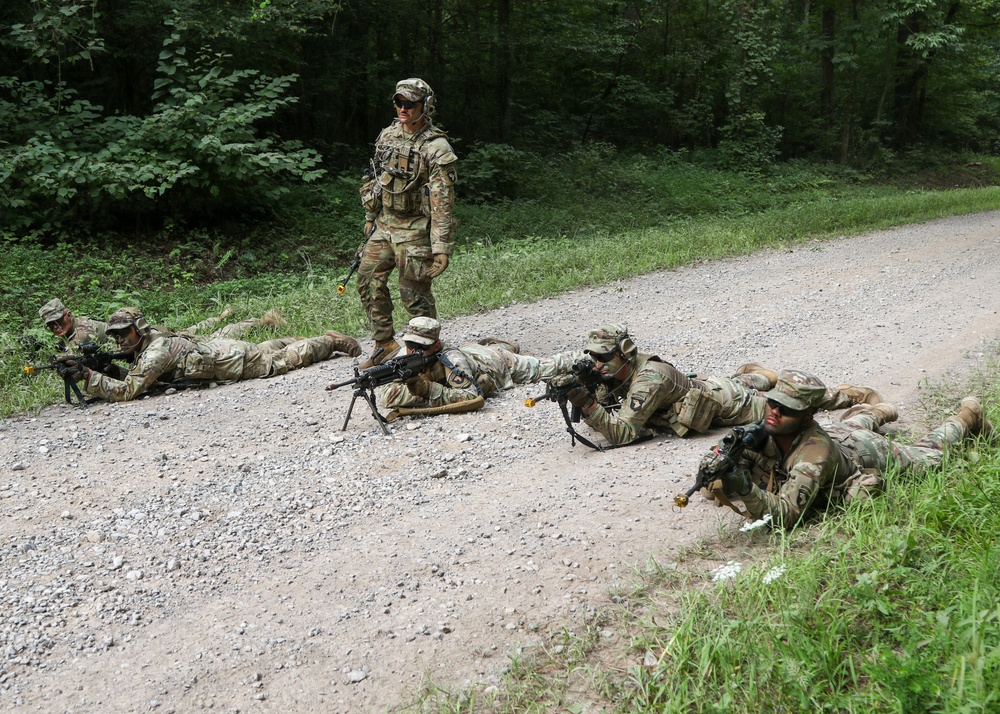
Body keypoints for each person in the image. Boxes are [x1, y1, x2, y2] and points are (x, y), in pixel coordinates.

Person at [702, 369, 995, 529]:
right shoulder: (769, 425)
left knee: (930, 456)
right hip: (837, 432)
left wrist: (743, 487)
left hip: (865, 451)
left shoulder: (814, 455)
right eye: (773, 403)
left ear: (805, 417)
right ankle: (877, 412)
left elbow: (787, 515)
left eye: (785, 409)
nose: (774, 412)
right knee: (850, 426)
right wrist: (718, 461)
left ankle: (967, 418)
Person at [556, 324, 883, 446]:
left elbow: (623, 432)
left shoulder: (648, 378)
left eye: (604, 358)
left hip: (727, 404)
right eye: (593, 358)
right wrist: (590, 382)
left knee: (788, 402)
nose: (598, 365)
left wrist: (587, 404)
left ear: (625, 353)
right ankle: (759, 375)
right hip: (709, 386)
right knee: (733, 381)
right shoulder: (620, 371)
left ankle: (846, 396)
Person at [356, 78, 458, 370]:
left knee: (413, 293)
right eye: (399, 102)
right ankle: (384, 344)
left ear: (425, 106)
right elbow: (375, 179)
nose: (403, 108)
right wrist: (370, 216)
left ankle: (428, 352)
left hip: (415, 229)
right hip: (385, 224)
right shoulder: (388, 135)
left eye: (410, 104)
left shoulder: (437, 147)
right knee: (367, 279)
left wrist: (441, 247)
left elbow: (442, 201)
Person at [60, 307, 361, 402]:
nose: (121, 340)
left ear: (139, 328)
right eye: (115, 336)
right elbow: (138, 377)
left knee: (287, 361)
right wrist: (109, 371)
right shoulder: (149, 341)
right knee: (265, 349)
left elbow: (128, 391)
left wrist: (88, 376)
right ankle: (292, 338)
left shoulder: (154, 353)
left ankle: (328, 340)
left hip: (231, 361)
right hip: (222, 350)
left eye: (125, 333)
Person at [372, 317, 584, 419]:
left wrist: (428, 390)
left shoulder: (452, 359)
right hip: (473, 352)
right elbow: (386, 397)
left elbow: (470, 395)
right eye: (410, 345)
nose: (412, 351)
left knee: (545, 367)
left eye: (421, 347)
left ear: (436, 345)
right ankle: (498, 343)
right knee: (484, 348)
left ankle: (590, 354)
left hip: (497, 363)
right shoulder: (404, 357)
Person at [40, 298, 288, 347]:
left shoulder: (81, 332)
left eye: (57, 320)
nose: (55, 327)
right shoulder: (76, 328)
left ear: (68, 314)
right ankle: (222, 316)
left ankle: (263, 320)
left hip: (152, 340)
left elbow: (77, 353)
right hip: (147, 336)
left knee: (206, 339)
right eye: (50, 325)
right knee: (192, 330)